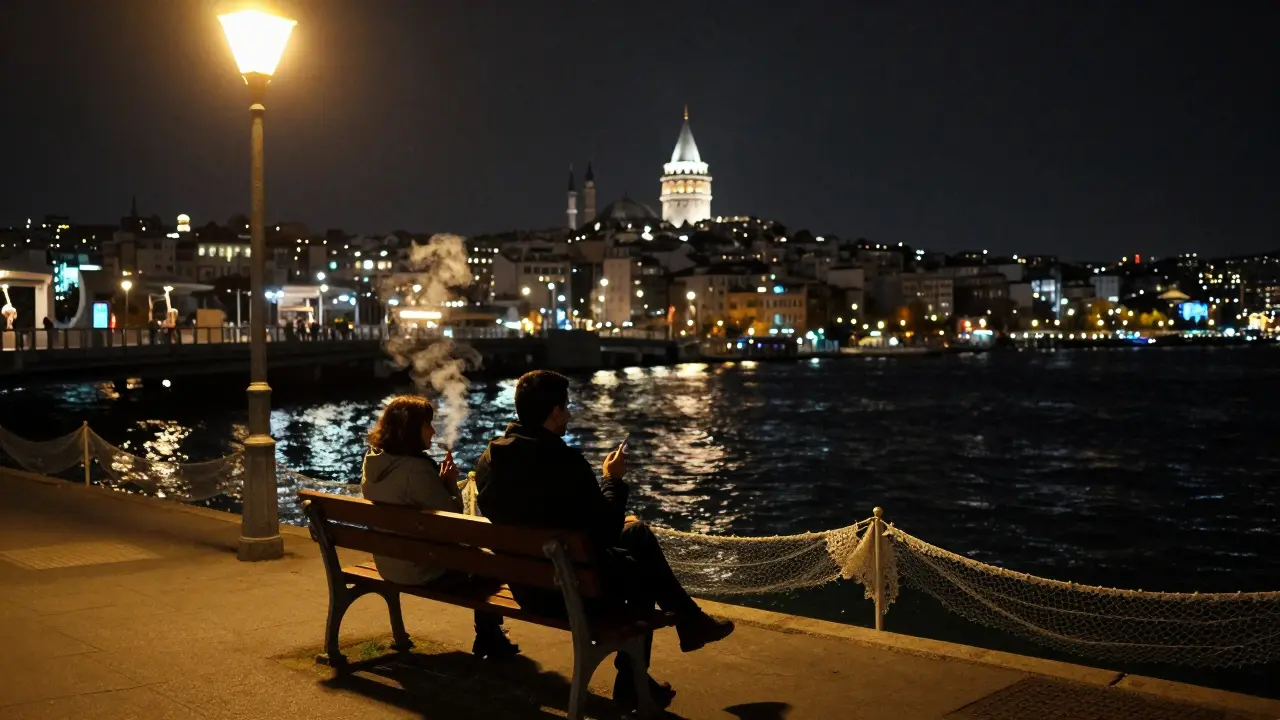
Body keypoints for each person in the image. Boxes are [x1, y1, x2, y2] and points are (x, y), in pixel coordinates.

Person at [474, 370, 734, 711]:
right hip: (570, 594)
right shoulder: (564, 464)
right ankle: (633, 679)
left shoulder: (489, 461)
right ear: (554, 412)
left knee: (636, 532)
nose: (568, 413)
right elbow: (606, 531)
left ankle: (689, 621)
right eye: (566, 407)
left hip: (528, 585)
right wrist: (612, 480)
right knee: (639, 568)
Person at [360, 395, 519, 660]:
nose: (433, 431)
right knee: (492, 564)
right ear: (411, 429)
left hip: (389, 563)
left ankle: (490, 636)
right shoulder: (416, 470)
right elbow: (452, 521)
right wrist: (448, 484)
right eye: (427, 425)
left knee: (479, 557)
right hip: (421, 569)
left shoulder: (374, 461)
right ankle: (488, 636)